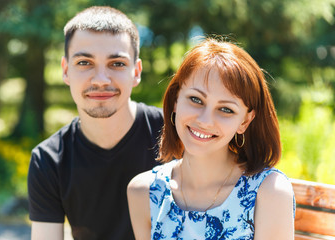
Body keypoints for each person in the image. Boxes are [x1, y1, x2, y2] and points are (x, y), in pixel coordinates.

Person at [127, 37, 295, 240]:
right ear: (175, 101)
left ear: (245, 121)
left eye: (225, 109)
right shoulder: (145, 192)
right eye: (196, 99)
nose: (205, 121)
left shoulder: (269, 193)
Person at [27, 6, 163, 240]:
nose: (101, 80)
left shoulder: (174, 133)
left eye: (117, 63)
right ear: (66, 70)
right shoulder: (48, 160)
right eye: (84, 63)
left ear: (136, 71)